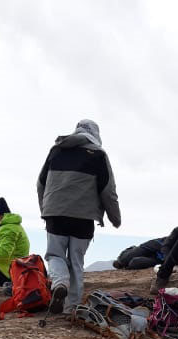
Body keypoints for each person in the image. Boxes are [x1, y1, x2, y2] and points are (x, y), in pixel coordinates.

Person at [37, 119, 121, 315]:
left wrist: (45, 208)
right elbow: (108, 190)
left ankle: (59, 283)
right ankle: (71, 307)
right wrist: (115, 218)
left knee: (56, 255)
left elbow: (40, 184)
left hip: (55, 213)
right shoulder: (98, 154)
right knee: (76, 261)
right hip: (83, 217)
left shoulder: (56, 150)